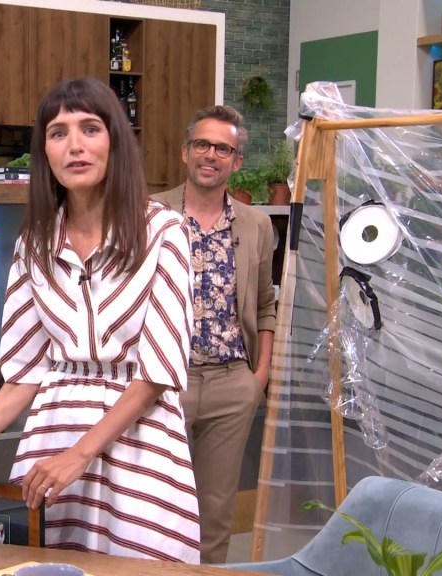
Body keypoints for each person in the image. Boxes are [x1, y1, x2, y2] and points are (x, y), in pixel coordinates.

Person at [0, 77, 200, 563]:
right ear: (44, 151)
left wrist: (79, 455)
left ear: (115, 141)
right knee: (45, 565)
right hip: (53, 432)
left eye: (90, 129)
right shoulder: (34, 244)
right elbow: (24, 374)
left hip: (139, 440)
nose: (75, 146)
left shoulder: (163, 231)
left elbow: (157, 372)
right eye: (58, 133)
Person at [151, 105, 276, 564]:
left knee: (216, 513)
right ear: (186, 152)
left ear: (236, 161)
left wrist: (258, 378)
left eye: (223, 149)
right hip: (162, 383)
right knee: (152, 504)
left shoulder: (257, 224)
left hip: (230, 385)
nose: (211, 155)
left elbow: (265, 303)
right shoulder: (150, 213)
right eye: (202, 144)